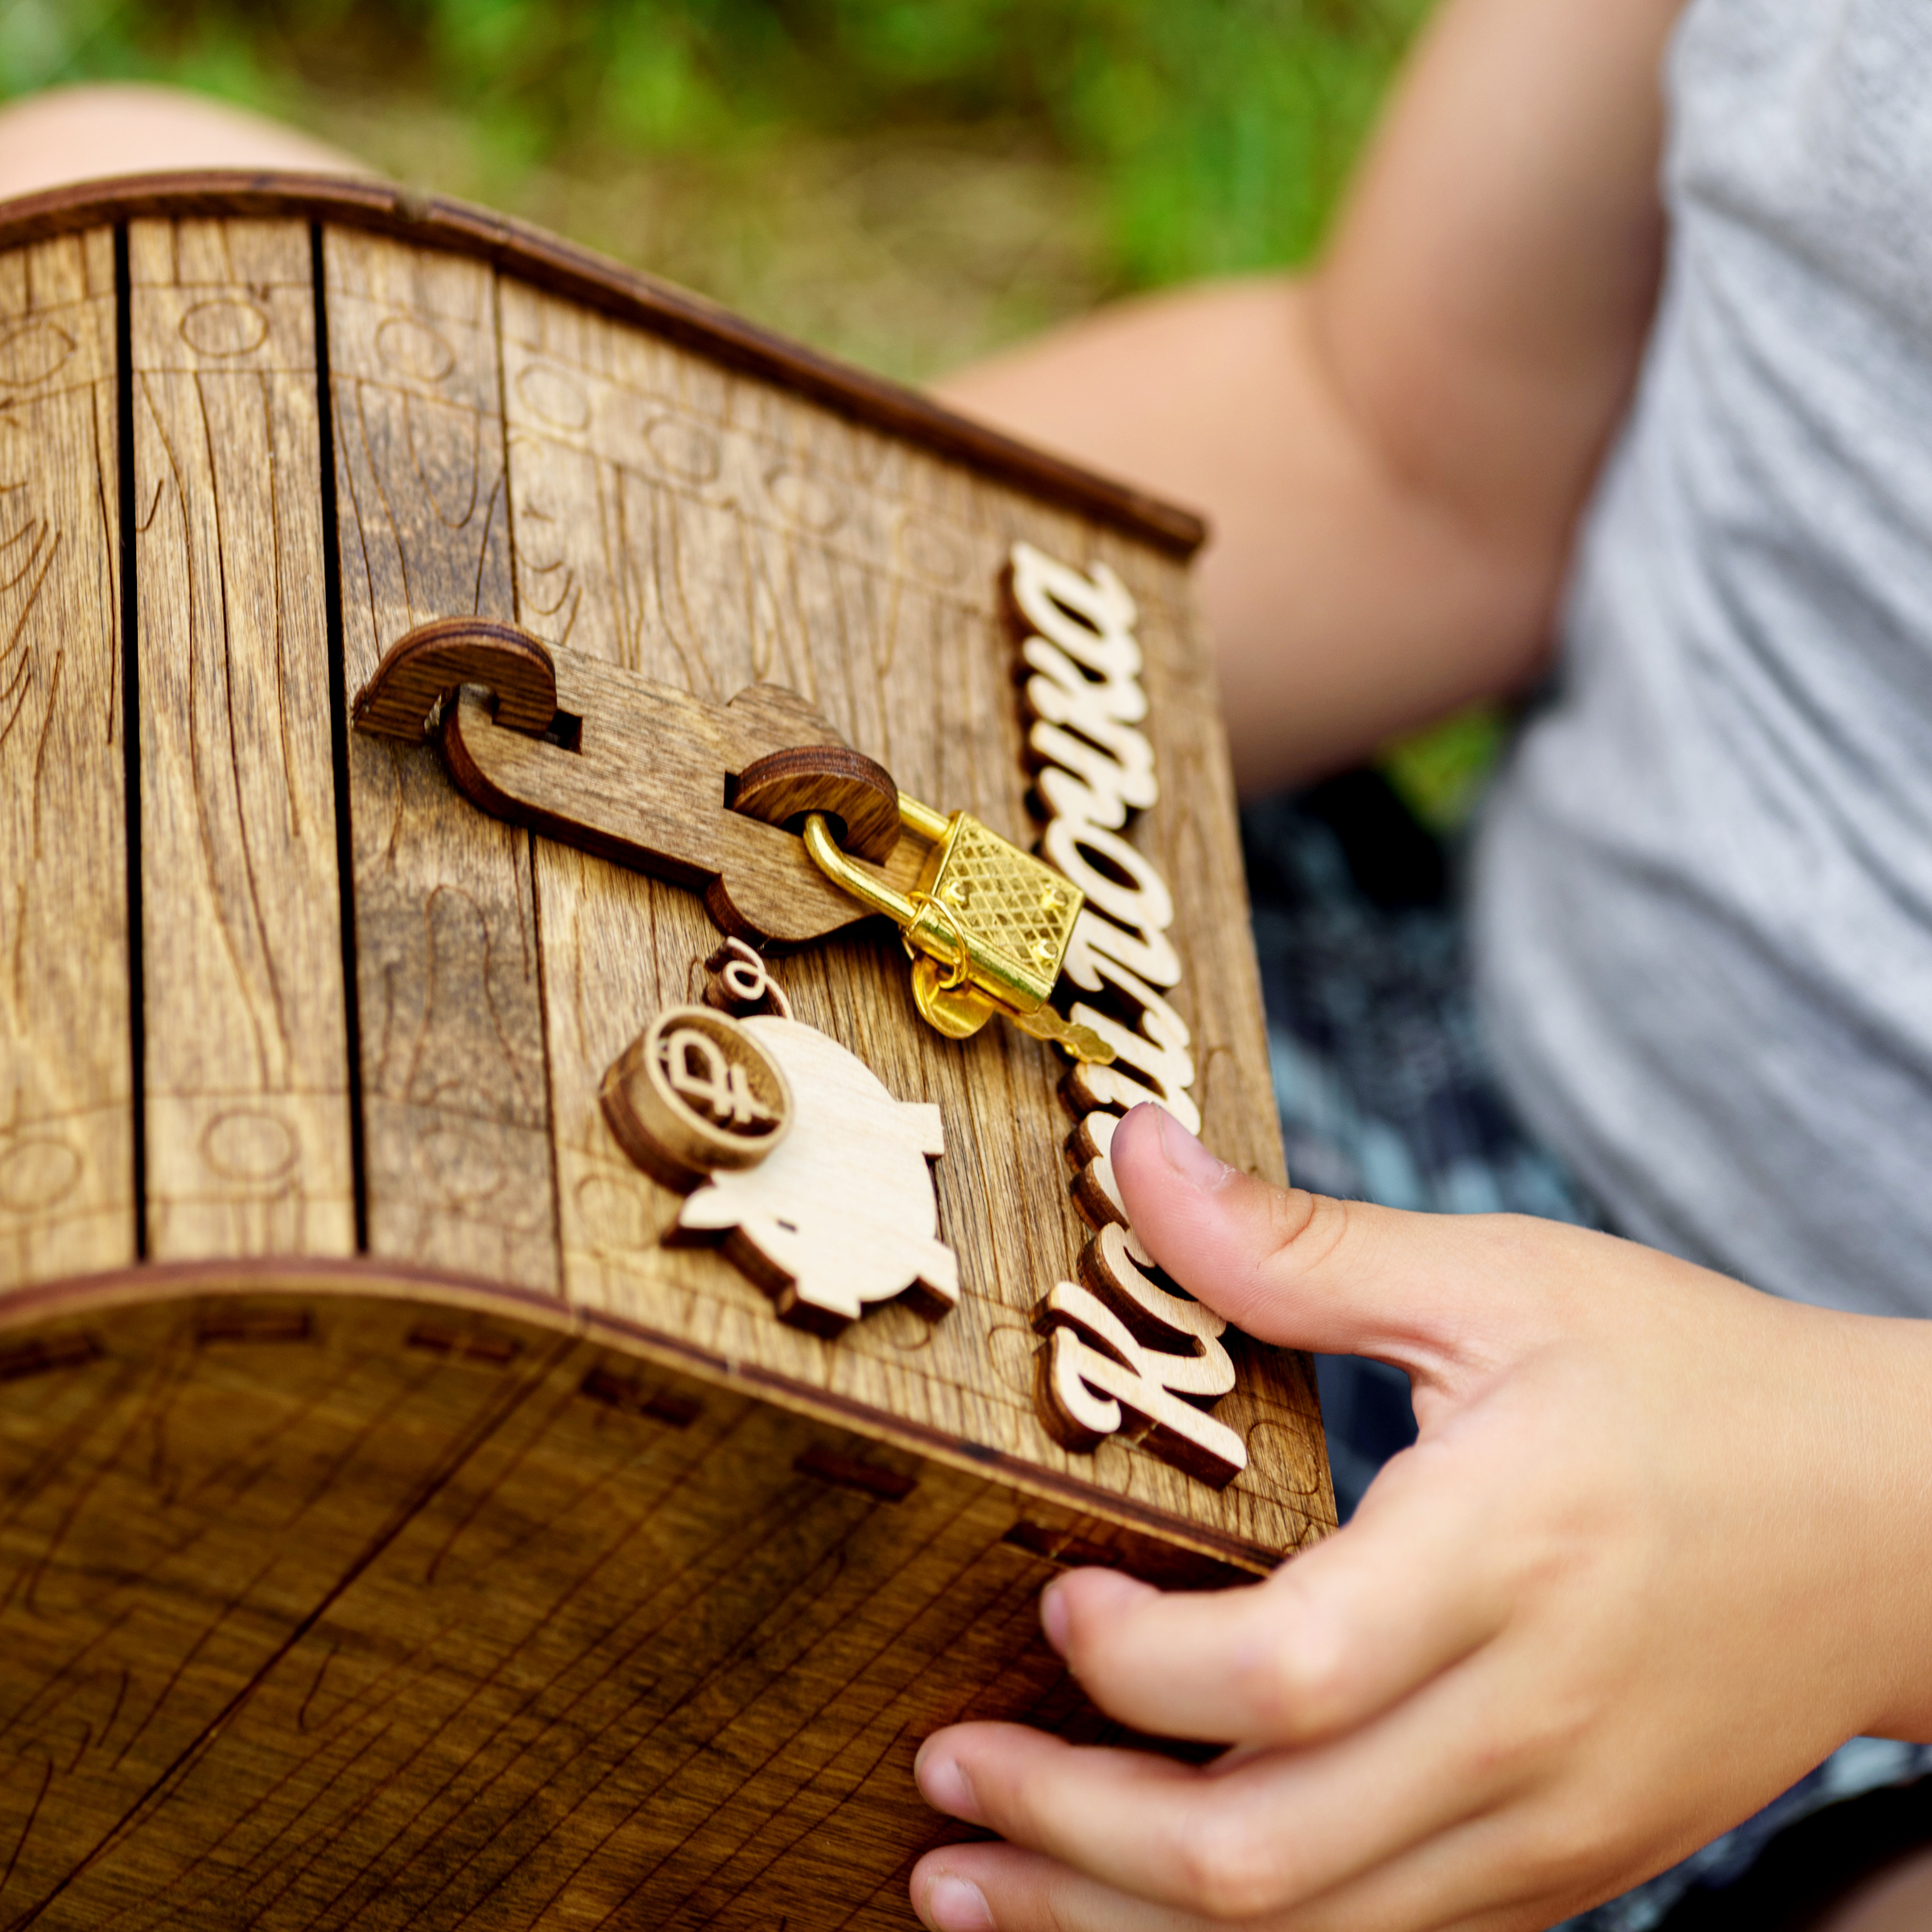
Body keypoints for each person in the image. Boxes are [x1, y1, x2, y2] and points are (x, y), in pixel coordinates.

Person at [4, 6, 1928, 1920]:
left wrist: (1856, 1535)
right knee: (91, 227)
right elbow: (1409, 446)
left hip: (1830, 1590)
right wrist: (769, 669)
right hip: (1361, 1002)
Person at [909, 0, 1932, 1928]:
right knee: (159, 228)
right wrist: (736, 645)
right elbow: (1403, 443)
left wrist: (1872, 1533)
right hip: (1432, 1041)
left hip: (1880, 1606)